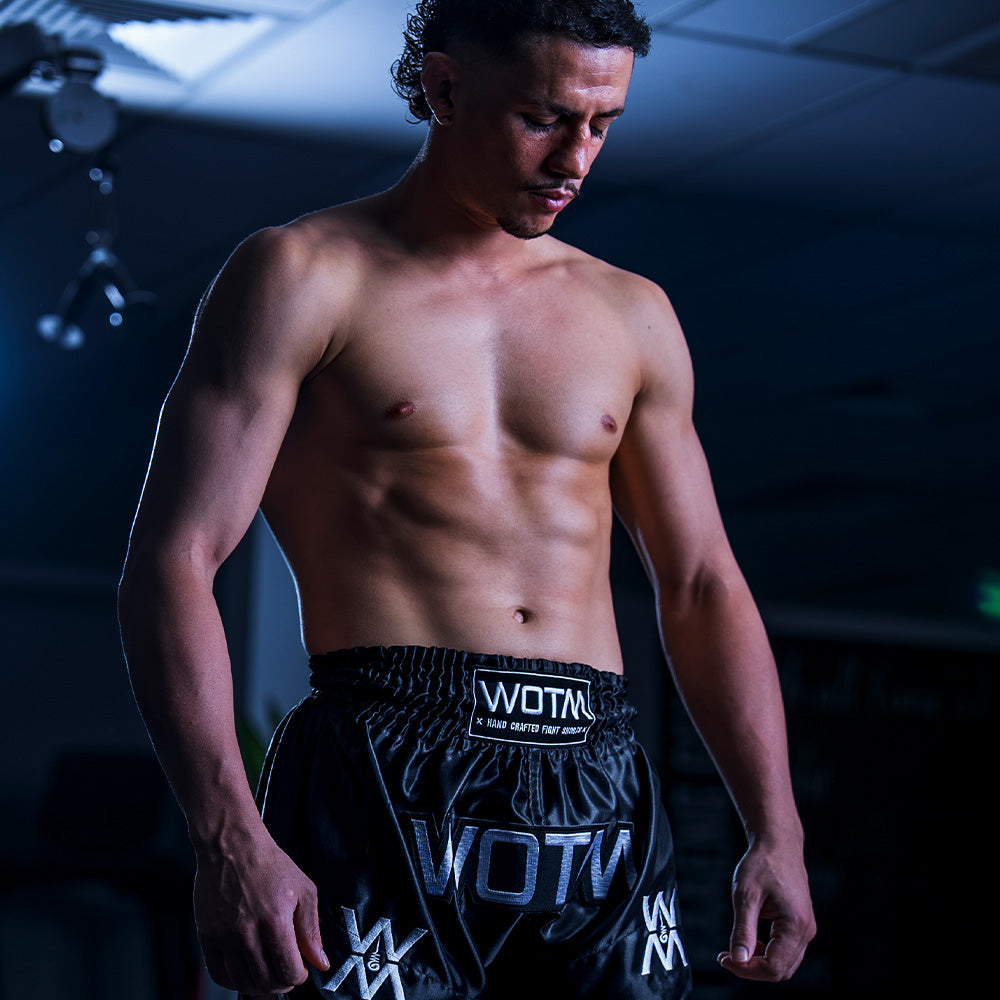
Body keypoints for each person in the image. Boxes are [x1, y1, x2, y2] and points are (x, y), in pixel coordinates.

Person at [118, 2, 815, 997]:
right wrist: (226, 835)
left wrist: (777, 830)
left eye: (602, 124)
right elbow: (173, 562)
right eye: (544, 118)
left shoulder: (632, 315)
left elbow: (703, 583)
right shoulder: (303, 276)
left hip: (595, 771)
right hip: (386, 763)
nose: (575, 158)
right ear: (444, 88)